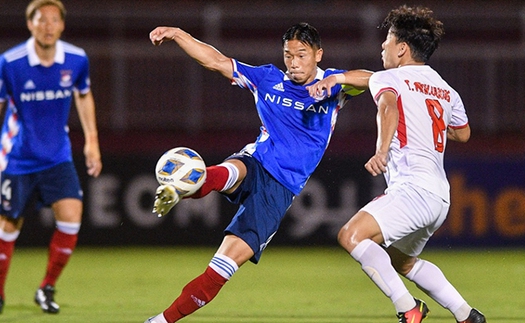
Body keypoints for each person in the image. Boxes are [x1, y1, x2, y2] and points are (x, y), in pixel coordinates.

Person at [146, 23, 371, 322]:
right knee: (230, 170)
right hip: (256, 160)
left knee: (221, 267)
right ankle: (182, 188)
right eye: (288, 55)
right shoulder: (267, 78)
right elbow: (215, 61)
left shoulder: (335, 86)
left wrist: (338, 79)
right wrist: (178, 34)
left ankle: (161, 320)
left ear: (318, 55)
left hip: (279, 188)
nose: (293, 62)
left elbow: (378, 80)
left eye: (302, 55)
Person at [309, 5, 485, 323]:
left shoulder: (392, 80)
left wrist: (382, 149)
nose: (382, 47)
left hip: (412, 189)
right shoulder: (445, 89)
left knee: (351, 235)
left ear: (402, 48)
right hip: (439, 197)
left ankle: (409, 309)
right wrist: (338, 77)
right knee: (402, 262)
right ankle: (467, 314)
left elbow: (387, 105)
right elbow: (463, 133)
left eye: (387, 41)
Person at [0, 0, 102, 314]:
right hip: (17, 157)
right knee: (8, 227)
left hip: (58, 156)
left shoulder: (75, 59)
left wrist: (92, 141)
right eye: (40, 19)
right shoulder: (11, 62)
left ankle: (46, 288)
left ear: (62, 25)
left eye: (54, 20)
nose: (47, 25)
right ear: (30, 24)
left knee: (71, 218)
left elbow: (83, 94)